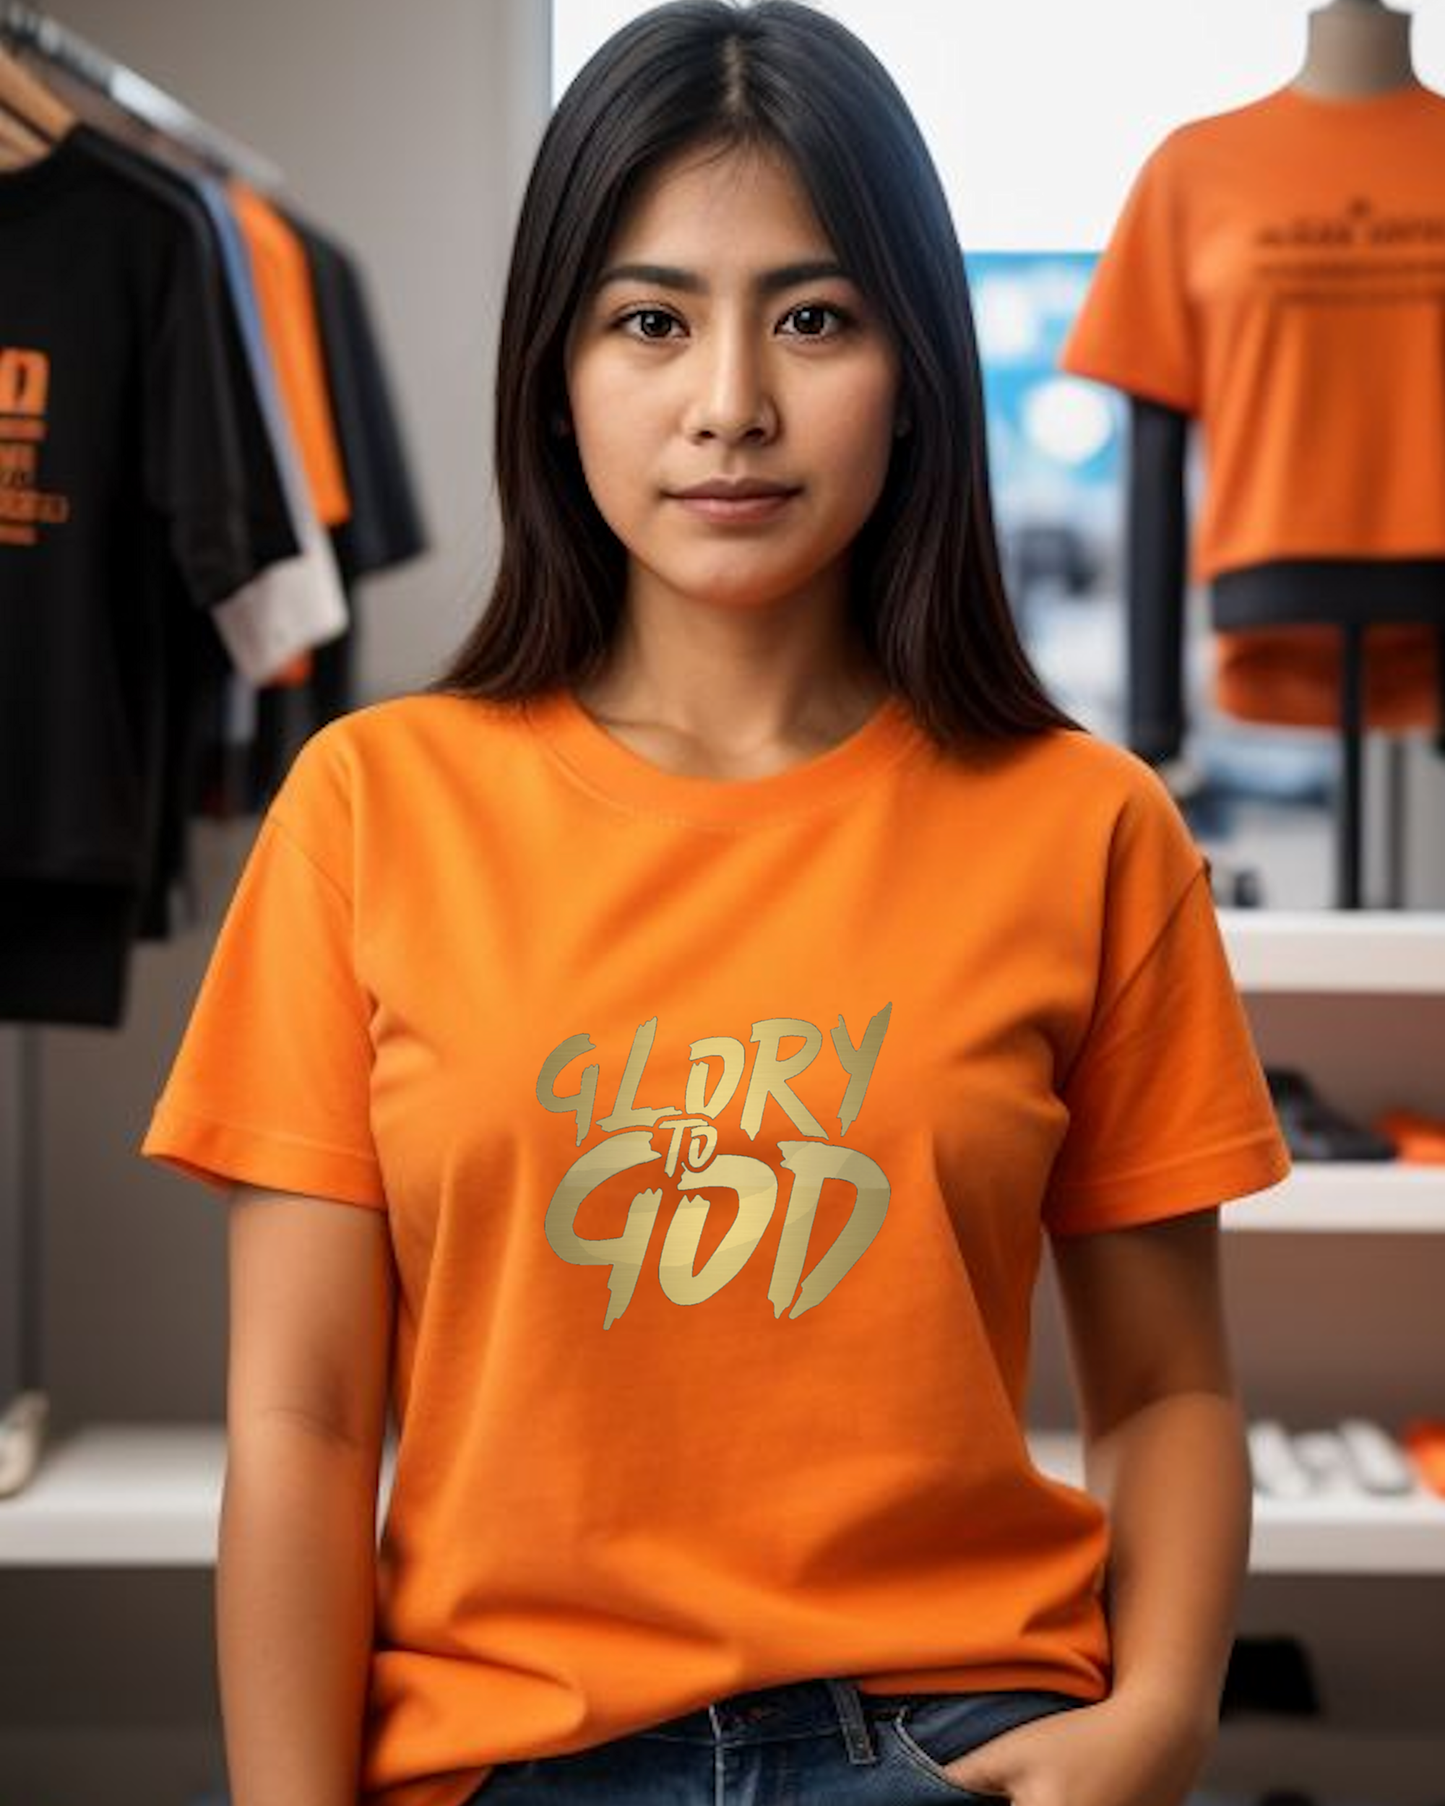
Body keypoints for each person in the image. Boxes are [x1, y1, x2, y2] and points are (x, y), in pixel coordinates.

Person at [139, 4, 1292, 1804]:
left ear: (914, 357)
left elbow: (1167, 1392)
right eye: (651, 318)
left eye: (813, 317)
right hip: (504, 1756)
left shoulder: (1090, 827)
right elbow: (299, 1423)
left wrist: (1157, 1725)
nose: (730, 403)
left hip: (955, 1737)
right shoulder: (370, 806)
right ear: (557, 366)